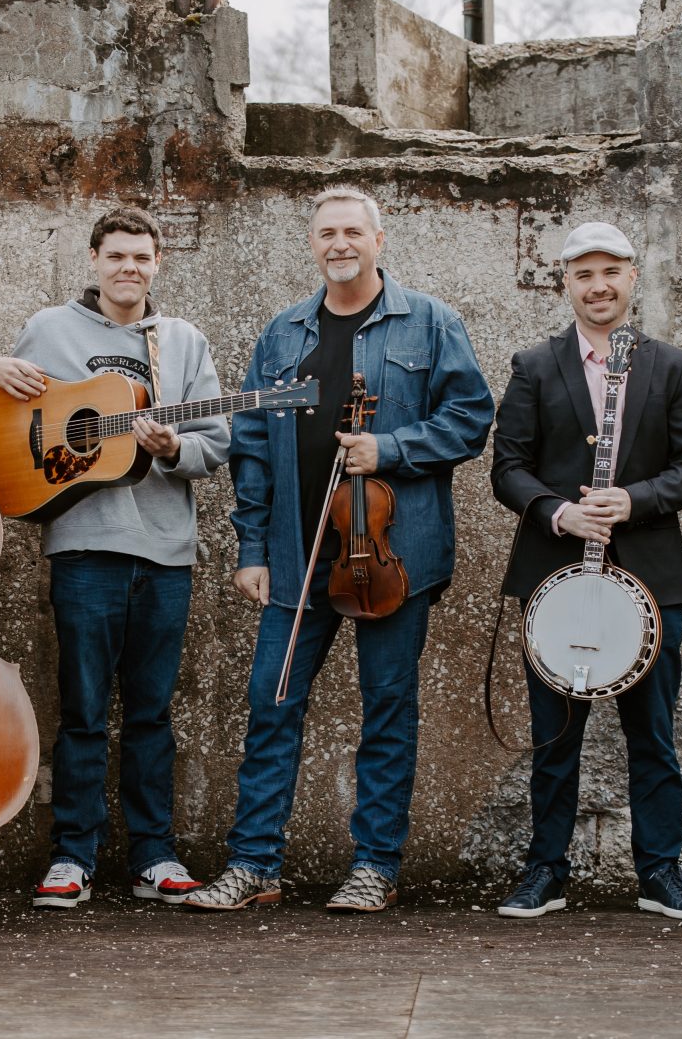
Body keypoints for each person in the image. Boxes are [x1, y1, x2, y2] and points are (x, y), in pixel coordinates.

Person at [186, 186, 494, 913]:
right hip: (297, 553)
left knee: (387, 707)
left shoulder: (429, 322)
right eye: (327, 232)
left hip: (391, 554)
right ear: (313, 243)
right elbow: (252, 446)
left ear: (378, 240)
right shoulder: (284, 334)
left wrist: (389, 446)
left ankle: (375, 866)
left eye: (353, 230)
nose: (340, 243)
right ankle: (255, 862)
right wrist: (253, 548)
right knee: (272, 701)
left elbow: (471, 418)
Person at [0, 210, 229, 909]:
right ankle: (71, 856)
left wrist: (173, 448)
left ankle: (155, 854)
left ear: (159, 263)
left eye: (142, 257)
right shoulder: (50, 330)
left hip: (166, 554)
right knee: (84, 709)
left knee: (152, 712)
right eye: (116, 254)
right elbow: (0, 417)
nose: (129, 267)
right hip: (84, 549)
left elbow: (218, 439)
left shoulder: (181, 342)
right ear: (93, 259)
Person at [489, 221, 682, 921]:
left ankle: (660, 875)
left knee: (654, 735)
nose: (598, 285)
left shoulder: (671, 365)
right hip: (555, 577)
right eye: (583, 273)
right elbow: (508, 469)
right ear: (566, 283)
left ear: (631, 278)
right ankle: (546, 872)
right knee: (554, 735)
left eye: (610, 271)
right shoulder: (533, 364)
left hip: (649, 578)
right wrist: (559, 513)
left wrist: (633, 500)